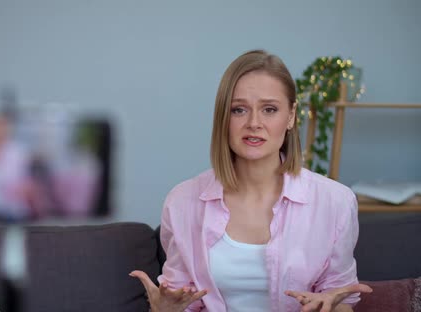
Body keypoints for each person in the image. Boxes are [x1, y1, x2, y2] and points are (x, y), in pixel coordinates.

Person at [130, 50, 372, 312]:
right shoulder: (182, 201)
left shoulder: (336, 201)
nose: (254, 123)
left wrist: (332, 307)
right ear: (224, 117)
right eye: (239, 110)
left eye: (269, 109)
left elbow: (341, 300)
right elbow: (179, 302)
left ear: (291, 116)